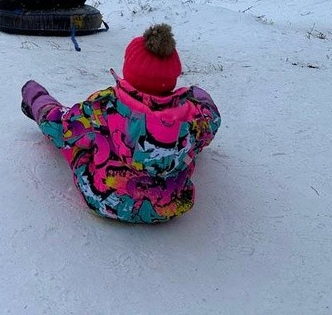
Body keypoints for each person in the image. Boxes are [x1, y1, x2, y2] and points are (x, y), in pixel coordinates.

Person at [20, 23, 220, 224]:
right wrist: (197, 96)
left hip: (106, 199)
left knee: (77, 136)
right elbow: (212, 120)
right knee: (190, 144)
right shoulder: (192, 115)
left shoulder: (105, 106)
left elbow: (61, 125)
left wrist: (35, 97)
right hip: (170, 204)